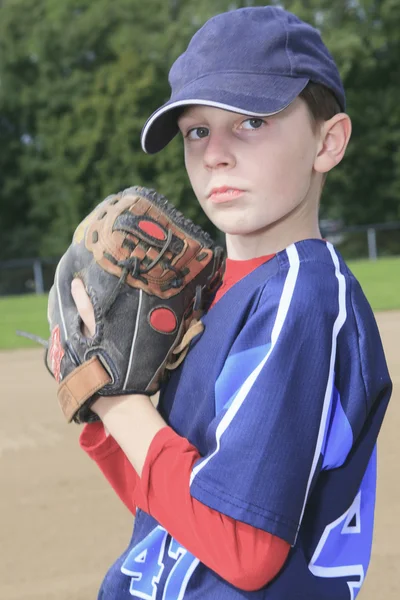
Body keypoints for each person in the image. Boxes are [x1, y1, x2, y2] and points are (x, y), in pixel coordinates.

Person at [73, 6, 392, 599]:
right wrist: (99, 404)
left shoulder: (304, 292)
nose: (215, 152)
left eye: (250, 120)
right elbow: (170, 512)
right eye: (197, 130)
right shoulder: (209, 298)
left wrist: (120, 405)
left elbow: (243, 547)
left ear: (329, 141)